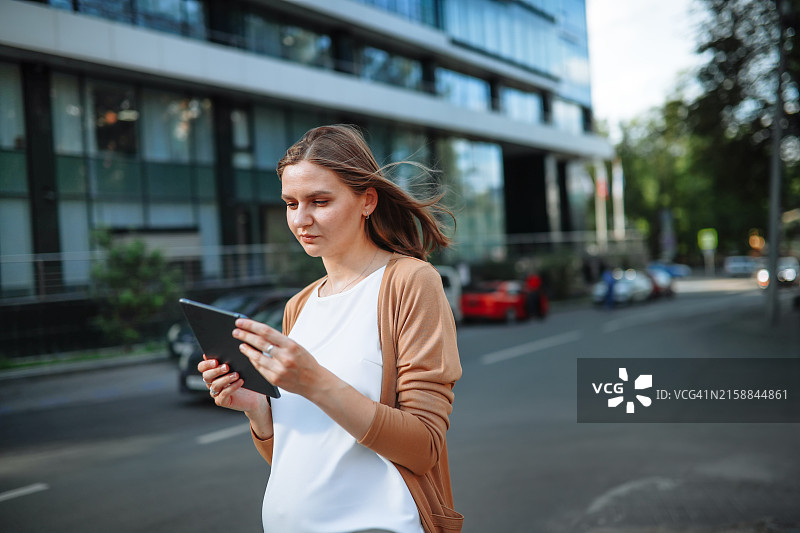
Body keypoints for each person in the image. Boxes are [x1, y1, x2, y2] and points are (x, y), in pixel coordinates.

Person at [198, 124, 463, 533]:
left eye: (320, 201)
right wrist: (257, 409)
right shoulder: (299, 306)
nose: (301, 219)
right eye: (291, 203)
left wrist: (314, 381)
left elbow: (424, 446)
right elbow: (302, 456)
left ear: (367, 201)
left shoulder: (410, 282)